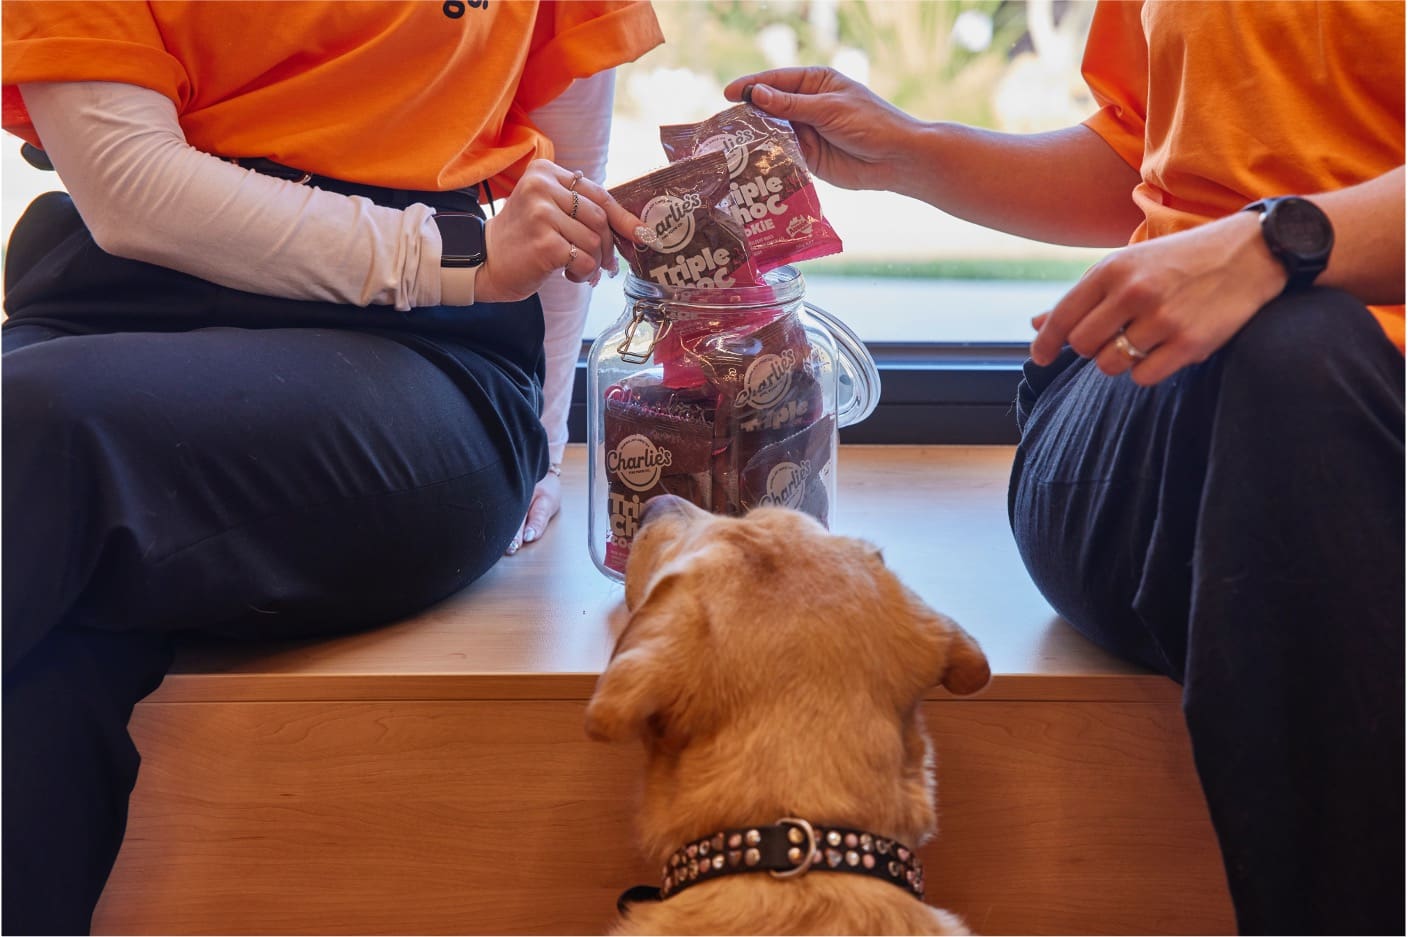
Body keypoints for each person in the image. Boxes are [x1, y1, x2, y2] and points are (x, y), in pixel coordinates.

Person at [726, 2, 1404, 934]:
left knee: (1305, 351)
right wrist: (912, 149)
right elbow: (1140, 155)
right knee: (1295, 360)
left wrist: (1274, 245)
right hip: (1153, 405)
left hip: (1364, 411)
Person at [1, 2, 663, 933]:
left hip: (417, 357)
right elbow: (129, 184)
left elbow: (568, 176)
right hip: (117, 323)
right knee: (38, 676)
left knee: (33, 431)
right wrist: (457, 254)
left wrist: (544, 441)